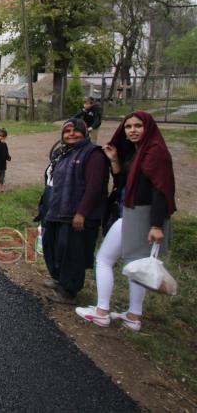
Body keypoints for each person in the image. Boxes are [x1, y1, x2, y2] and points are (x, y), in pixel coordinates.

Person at [76, 111, 176, 330]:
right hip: (131, 213)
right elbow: (125, 183)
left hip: (141, 216)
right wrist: (114, 160)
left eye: (138, 126)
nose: (132, 130)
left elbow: (161, 190)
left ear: (148, 127)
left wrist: (156, 225)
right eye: (128, 127)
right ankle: (133, 316)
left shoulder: (155, 153)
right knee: (135, 265)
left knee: (104, 259)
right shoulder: (139, 151)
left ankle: (102, 312)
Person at [40, 119, 109, 304]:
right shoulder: (63, 152)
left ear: (85, 133)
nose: (71, 134)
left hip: (75, 213)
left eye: (76, 130)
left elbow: (95, 187)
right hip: (57, 210)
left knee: (72, 252)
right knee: (55, 247)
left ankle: (69, 291)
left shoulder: (93, 154)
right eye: (67, 131)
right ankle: (59, 279)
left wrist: (82, 213)